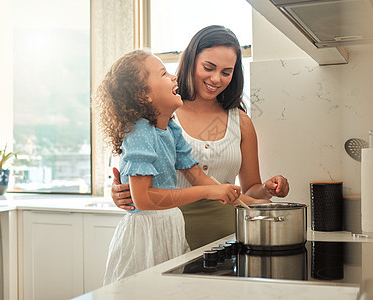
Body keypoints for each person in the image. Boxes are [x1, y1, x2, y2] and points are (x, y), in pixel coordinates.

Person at [110, 25, 290, 250]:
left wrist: (263, 193)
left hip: (227, 238)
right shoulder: (160, 115)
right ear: (191, 61)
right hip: (167, 237)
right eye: (209, 67)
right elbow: (137, 184)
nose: (216, 79)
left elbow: (242, 187)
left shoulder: (240, 121)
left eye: (226, 72)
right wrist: (119, 194)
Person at [96, 49, 259, 284]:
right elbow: (143, 199)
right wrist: (209, 191)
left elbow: (196, 176)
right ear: (143, 95)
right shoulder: (140, 132)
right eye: (164, 74)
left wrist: (243, 199)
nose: (173, 77)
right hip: (147, 235)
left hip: (171, 226)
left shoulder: (170, 129)